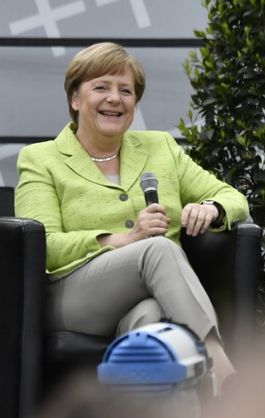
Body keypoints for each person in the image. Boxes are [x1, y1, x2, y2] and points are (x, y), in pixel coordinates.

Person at [14, 42, 249, 392]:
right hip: (73, 298)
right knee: (159, 248)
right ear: (75, 99)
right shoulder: (41, 158)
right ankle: (223, 374)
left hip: (144, 295)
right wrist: (120, 240)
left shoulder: (160, 148)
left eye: (126, 90)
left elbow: (235, 199)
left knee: (151, 316)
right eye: (101, 87)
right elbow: (43, 246)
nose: (115, 98)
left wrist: (211, 209)